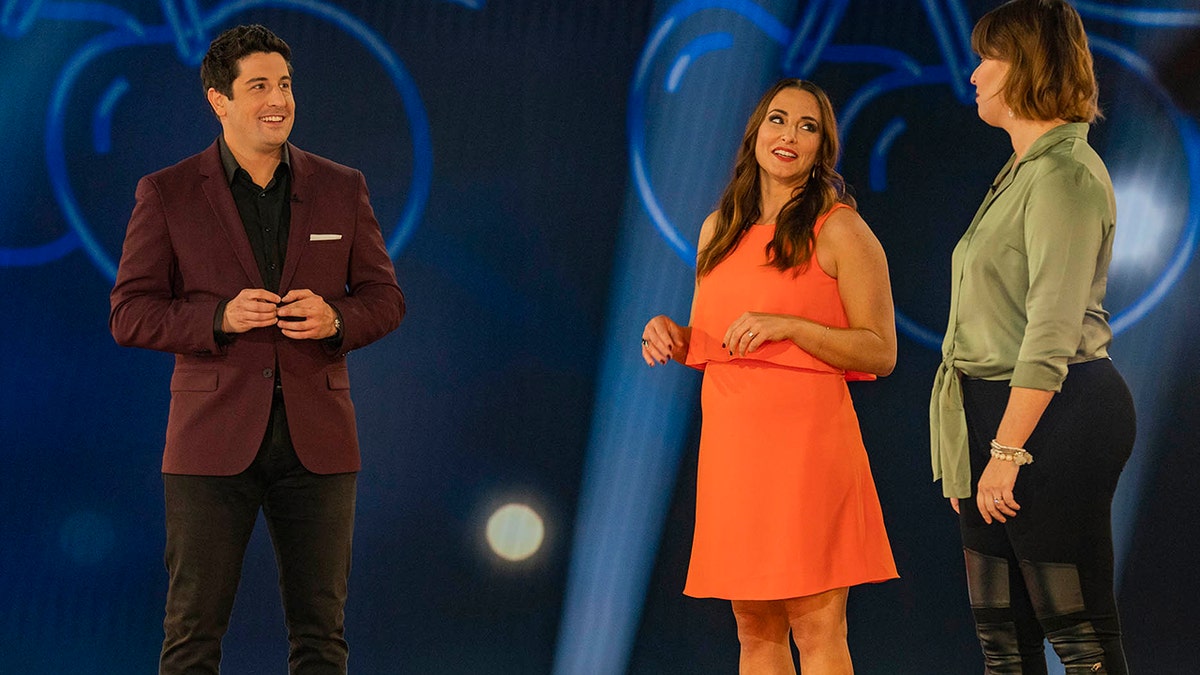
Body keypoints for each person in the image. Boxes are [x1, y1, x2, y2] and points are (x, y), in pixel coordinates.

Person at [109, 24, 405, 674]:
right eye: (260, 86)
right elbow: (129, 312)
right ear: (219, 99)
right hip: (210, 443)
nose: (279, 100)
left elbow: (385, 299)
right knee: (191, 636)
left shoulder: (341, 186)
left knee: (322, 638)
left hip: (319, 443)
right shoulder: (168, 193)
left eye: (286, 85)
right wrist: (217, 316)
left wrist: (335, 316)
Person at [641, 78, 898, 675]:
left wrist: (791, 325)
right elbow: (714, 341)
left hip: (806, 450)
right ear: (755, 133)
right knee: (754, 631)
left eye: (808, 127)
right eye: (779, 120)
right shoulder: (718, 231)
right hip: (734, 452)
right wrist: (670, 334)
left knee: (817, 627)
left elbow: (879, 351)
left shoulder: (839, 230)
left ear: (822, 148)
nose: (790, 135)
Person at [928, 1, 1136, 672]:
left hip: (1054, 416)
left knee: (1078, 636)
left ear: (1028, 66)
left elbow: (1050, 330)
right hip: (995, 414)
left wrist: (1008, 447)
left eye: (989, 58)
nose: (974, 76)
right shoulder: (1022, 171)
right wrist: (974, 444)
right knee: (1003, 642)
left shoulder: (1064, 176)